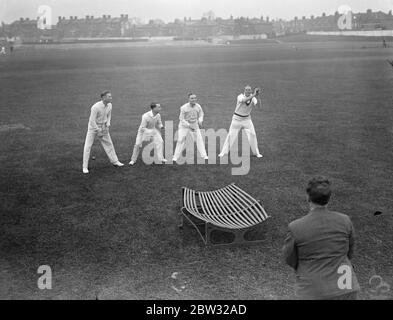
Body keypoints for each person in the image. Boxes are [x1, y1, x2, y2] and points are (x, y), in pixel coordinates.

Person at [282, 177, 360, 300]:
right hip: (346, 288)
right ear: (329, 197)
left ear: (307, 197)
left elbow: (290, 258)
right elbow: (349, 253)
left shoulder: (296, 227)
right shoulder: (345, 220)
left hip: (313, 291)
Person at [82, 91, 124, 174]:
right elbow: (92, 121)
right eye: (109, 96)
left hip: (104, 127)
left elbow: (109, 116)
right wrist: (98, 131)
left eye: (111, 96)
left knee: (109, 144)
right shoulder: (95, 107)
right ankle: (85, 167)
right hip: (93, 128)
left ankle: (115, 161)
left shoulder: (110, 105)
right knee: (87, 146)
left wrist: (108, 125)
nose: (111, 98)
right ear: (103, 97)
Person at [218, 85, 263, 158]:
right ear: (244, 91)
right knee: (231, 136)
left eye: (249, 90)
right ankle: (223, 152)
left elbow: (258, 107)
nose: (248, 91)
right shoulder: (240, 96)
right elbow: (244, 100)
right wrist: (254, 94)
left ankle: (256, 153)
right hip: (236, 120)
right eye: (246, 90)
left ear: (251, 91)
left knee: (253, 135)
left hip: (247, 120)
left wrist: (257, 96)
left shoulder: (253, 98)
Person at [172, 93, 208, 162]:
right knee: (180, 140)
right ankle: (175, 157)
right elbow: (181, 119)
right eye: (192, 98)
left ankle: (204, 155)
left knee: (199, 140)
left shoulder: (198, 106)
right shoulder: (183, 107)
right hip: (184, 126)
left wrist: (200, 120)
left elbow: (201, 114)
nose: (194, 99)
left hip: (194, 125)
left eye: (195, 98)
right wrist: (188, 125)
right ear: (188, 99)